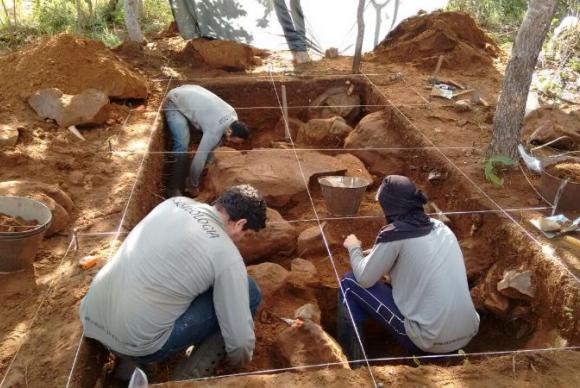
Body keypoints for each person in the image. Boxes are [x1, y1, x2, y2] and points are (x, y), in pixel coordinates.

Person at [79, 185, 267, 379]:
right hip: (138, 346)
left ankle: (129, 365)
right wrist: (239, 362)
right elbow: (240, 341)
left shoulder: (174, 204)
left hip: (92, 317)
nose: (241, 239)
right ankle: (188, 377)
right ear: (240, 223)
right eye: (246, 233)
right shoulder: (226, 255)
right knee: (249, 291)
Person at [337, 175, 479, 361]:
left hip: (429, 341)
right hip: (468, 332)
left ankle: (353, 364)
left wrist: (354, 247)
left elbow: (364, 278)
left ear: (389, 207)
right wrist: (381, 253)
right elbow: (416, 255)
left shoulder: (394, 234)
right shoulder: (441, 228)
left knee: (349, 283)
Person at [164, 85, 250, 197]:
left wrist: (208, 166)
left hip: (190, 90)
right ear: (229, 131)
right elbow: (200, 157)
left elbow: (216, 144)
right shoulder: (215, 130)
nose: (230, 143)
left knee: (215, 143)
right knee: (182, 144)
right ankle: (174, 188)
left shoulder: (233, 115)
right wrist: (192, 186)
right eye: (233, 141)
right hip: (174, 101)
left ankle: (197, 173)